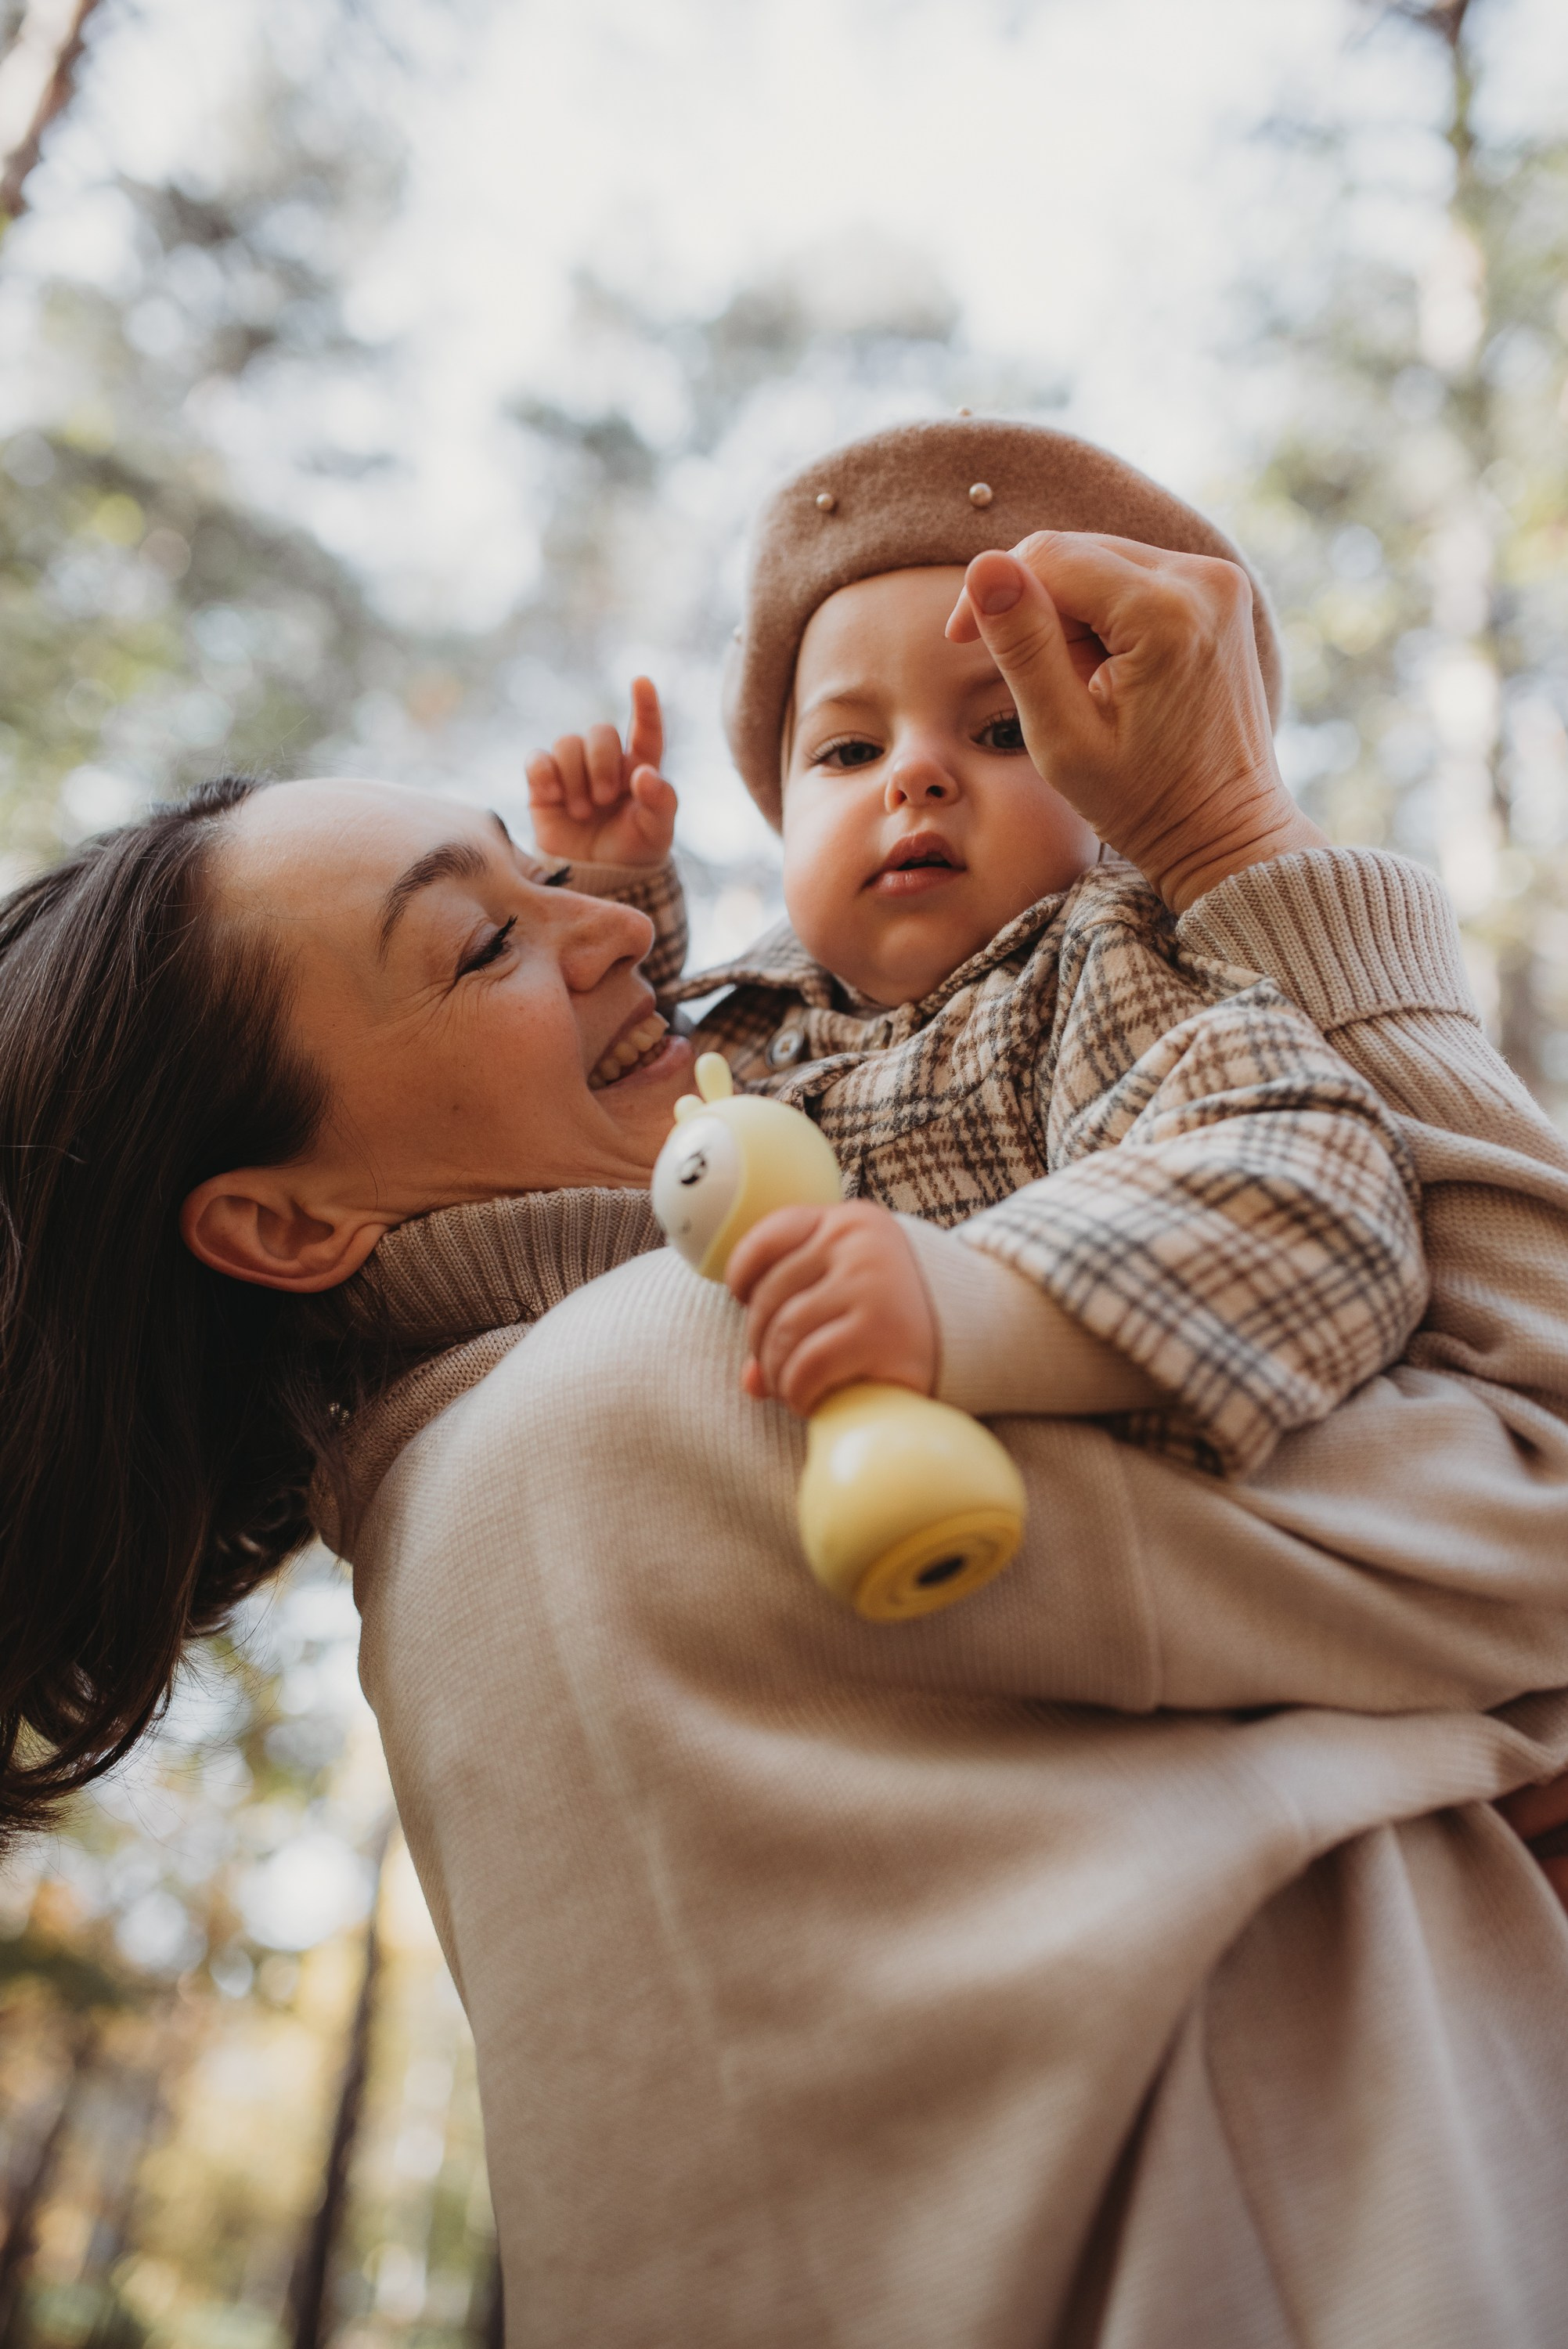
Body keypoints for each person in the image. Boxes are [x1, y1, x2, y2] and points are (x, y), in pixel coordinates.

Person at [3, 453, 1568, 2343]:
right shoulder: (701, 1375)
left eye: (543, 877)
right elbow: (1541, 1496)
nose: (612, 935)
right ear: (282, 1221)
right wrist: (1243, 845)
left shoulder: (463, 1482)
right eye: (484, 941)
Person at [527, 420, 1428, 1487]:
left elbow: (1320, 1194)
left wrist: (983, 1303)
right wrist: (603, 896)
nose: (913, 775)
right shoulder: (755, 1016)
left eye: (1004, 732)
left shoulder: (1090, 974)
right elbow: (590, 1091)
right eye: (850, 750)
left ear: (1122, 805)